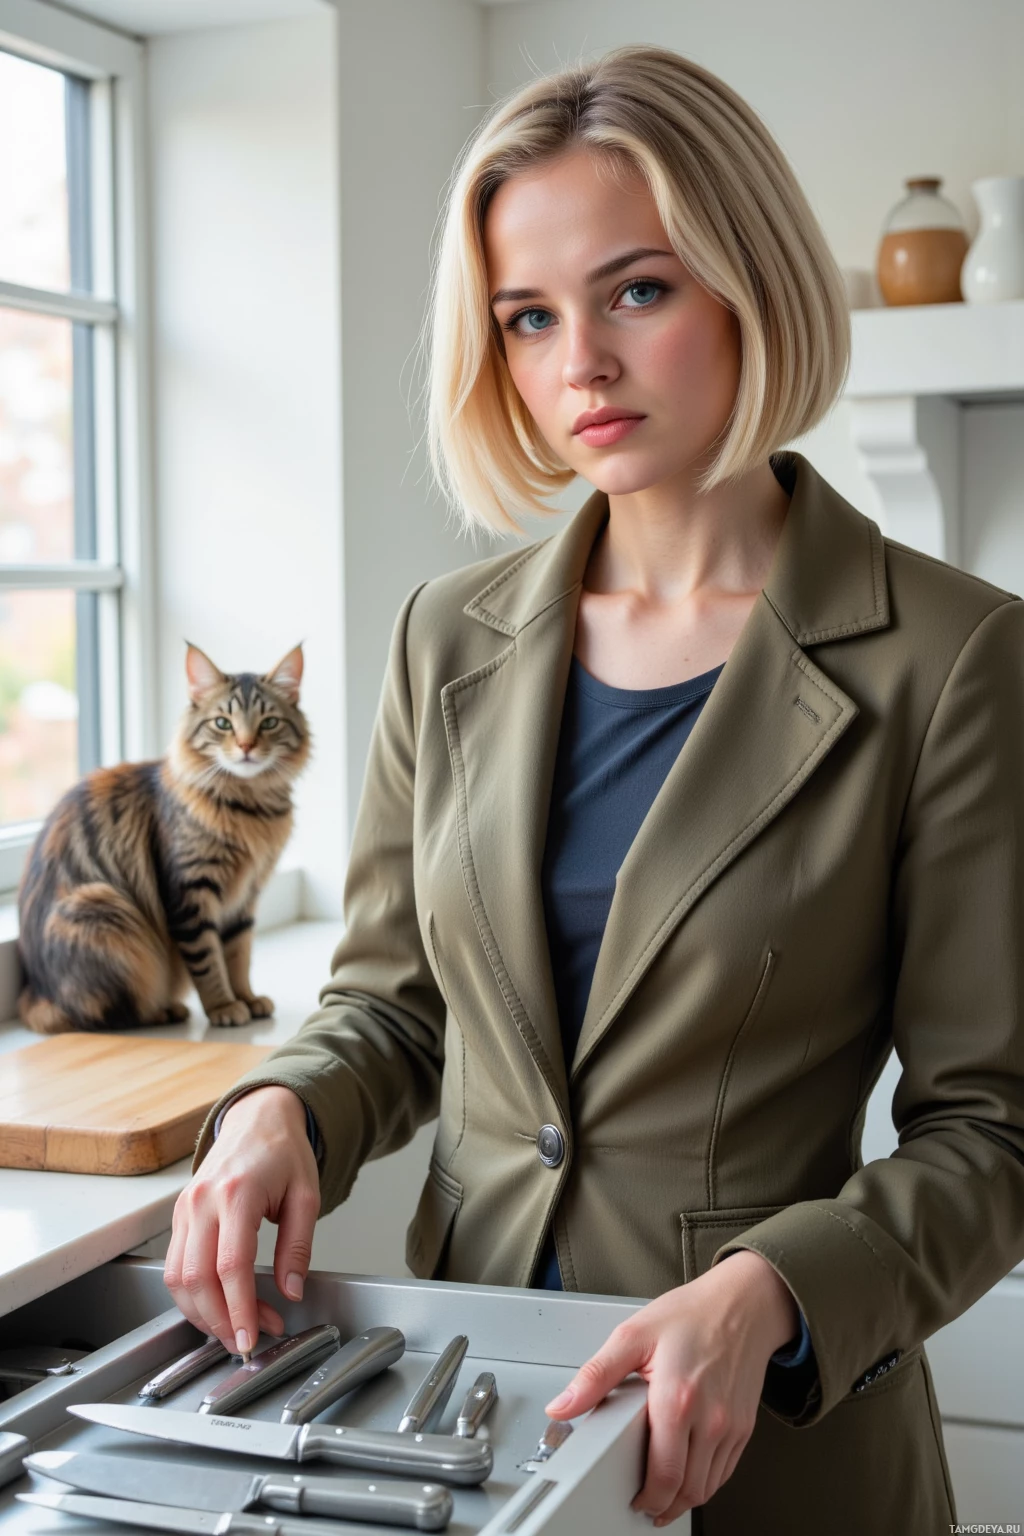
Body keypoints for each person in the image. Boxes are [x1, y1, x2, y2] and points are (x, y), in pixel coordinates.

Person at [166, 44, 1024, 1535]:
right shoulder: (448, 636)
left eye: (638, 290)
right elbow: (392, 1005)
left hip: (776, 1453)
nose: (583, 367)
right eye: (527, 318)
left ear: (749, 282)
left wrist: (775, 1292)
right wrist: (274, 1112)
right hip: (454, 1417)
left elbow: (995, 1132)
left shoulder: (952, 657)